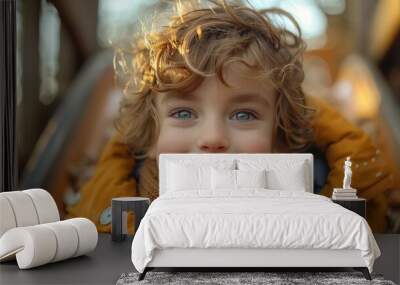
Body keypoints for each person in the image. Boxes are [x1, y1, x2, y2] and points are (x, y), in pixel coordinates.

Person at [66, 0, 393, 233]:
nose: (212, 139)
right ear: (149, 137)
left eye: (243, 114)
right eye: (183, 112)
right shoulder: (116, 203)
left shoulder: (318, 194)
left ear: (279, 138)